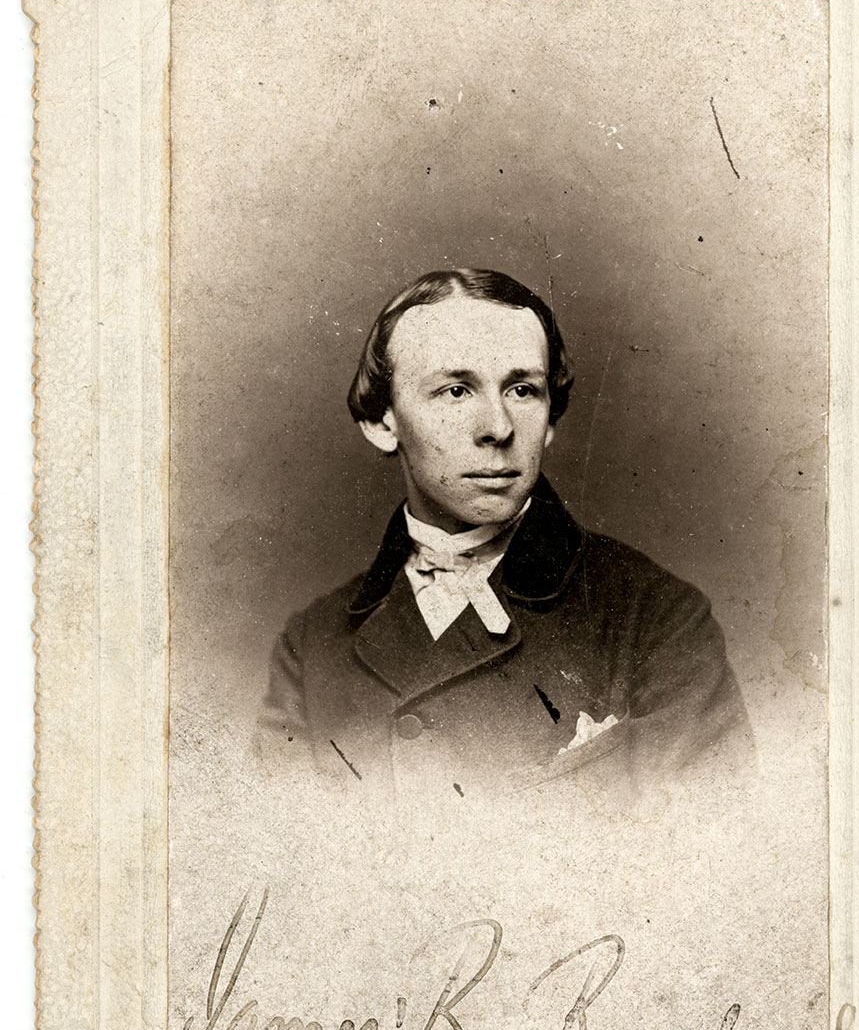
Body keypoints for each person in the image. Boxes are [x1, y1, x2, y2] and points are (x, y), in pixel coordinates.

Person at [260, 268, 752, 811]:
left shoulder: (657, 620)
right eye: (455, 389)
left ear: (549, 421)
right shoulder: (311, 646)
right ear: (383, 421)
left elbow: (707, 864)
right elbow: (278, 865)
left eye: (522, 390)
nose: (498, 426)